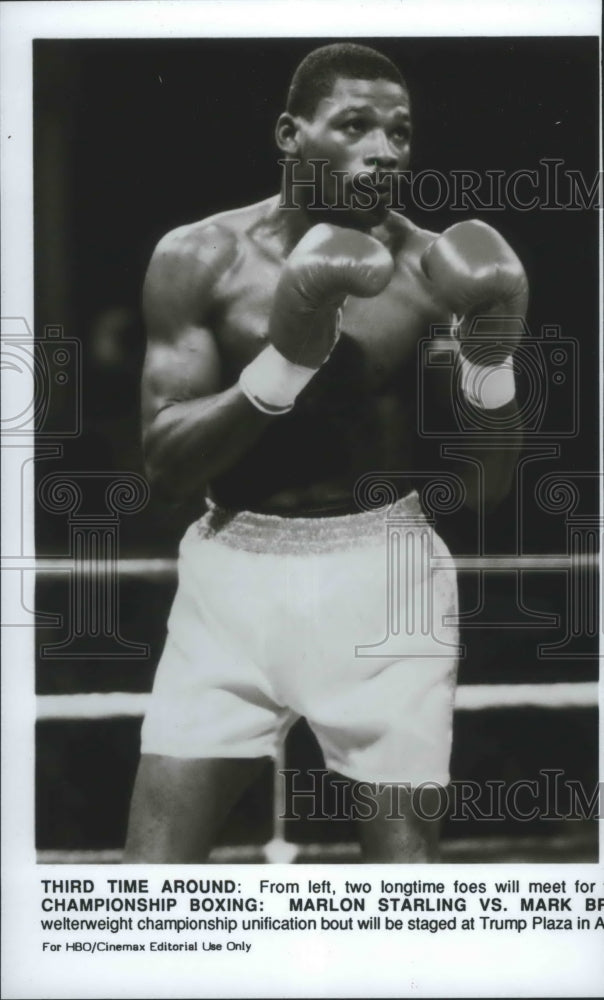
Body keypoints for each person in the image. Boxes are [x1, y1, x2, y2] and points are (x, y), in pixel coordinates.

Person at [124, 43, 527, 863]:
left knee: (402, 892)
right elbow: (164, 467)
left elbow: (485, 486)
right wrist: (284, 367)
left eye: (400, 132)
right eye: (355, 125)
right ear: (290, 132)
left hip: (385, 581)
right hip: (231, 578)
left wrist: (490, 363)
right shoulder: (200, 258)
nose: (383, 149)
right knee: (149, 884)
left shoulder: (432, 268)